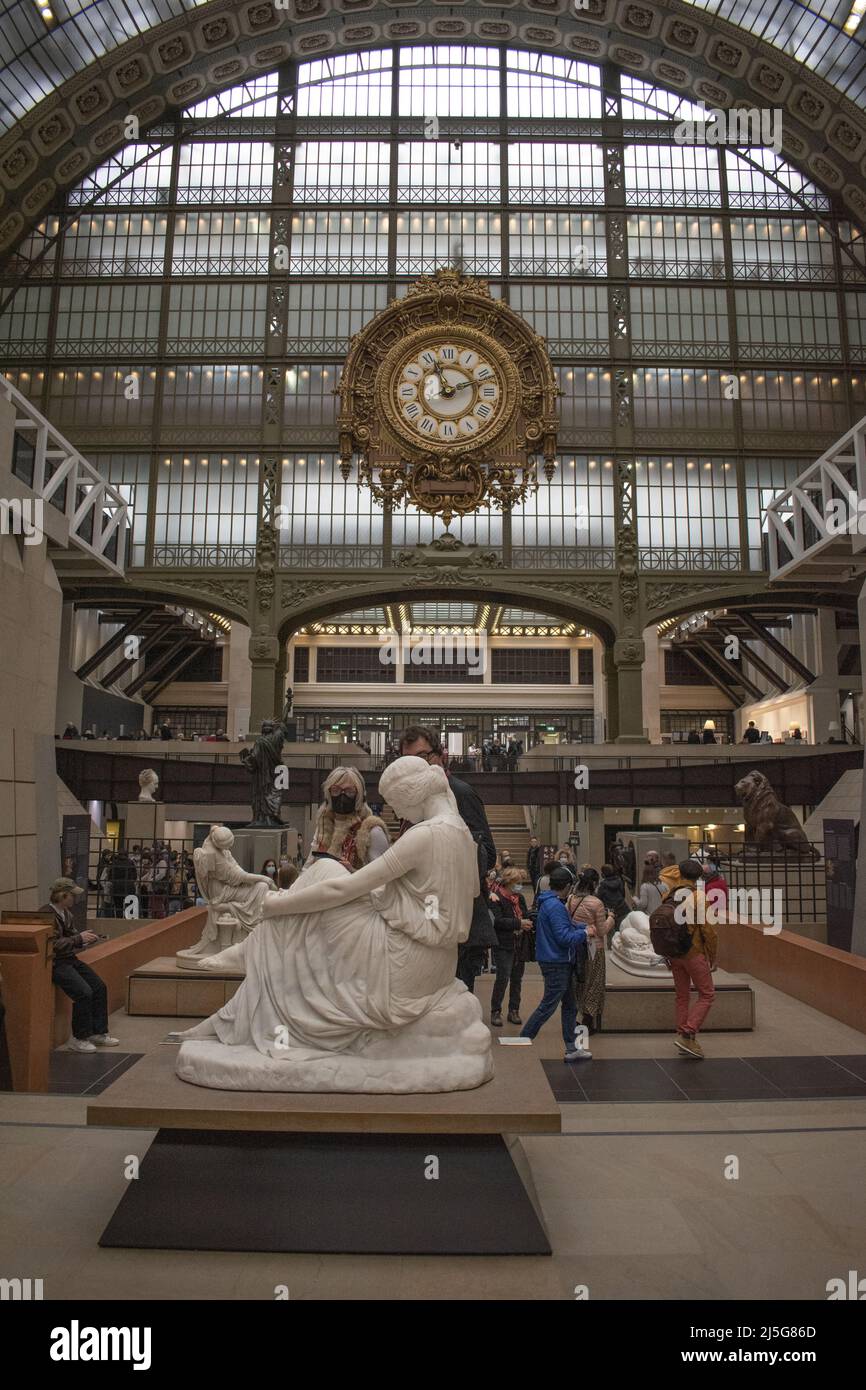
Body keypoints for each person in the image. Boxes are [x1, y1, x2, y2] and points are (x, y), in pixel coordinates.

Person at [398, 725, 497, 992]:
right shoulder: (412, 802)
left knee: (454, 999)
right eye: (408, 761)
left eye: (423, 757)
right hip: (422, 915)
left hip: (455, 919)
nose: (417, 767)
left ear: (441, 755)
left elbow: (487, 852)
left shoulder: (460, 793)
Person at [520, 865, 595, 1061]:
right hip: (557, 962)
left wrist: (579, 926)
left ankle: (571, 1047)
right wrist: (585, 933)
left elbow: (562, 928)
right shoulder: (556, 906)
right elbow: (564, 937)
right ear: (568, 886)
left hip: (555, 960)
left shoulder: (549, 903)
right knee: (548, 1005)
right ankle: (522, 1039)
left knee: (569, 1005)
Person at [46, 878, 118, 1052]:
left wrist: (84, 940)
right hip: (57, 963)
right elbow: (51, 944)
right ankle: (79, 1037)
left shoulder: (65, 913)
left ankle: (97, 1032)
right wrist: (78, 939)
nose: (74, 899)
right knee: (83, 993)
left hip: (69, 959)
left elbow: (70, 939)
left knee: (99, 987)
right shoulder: (47, 915)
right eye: (71, 895)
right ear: (62, 895)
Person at [662, 859, 717, 1058]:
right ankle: (688, 1032)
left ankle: (684, 1036)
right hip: (694, 952)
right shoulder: (698, 896)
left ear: (679, 873)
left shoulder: (668, 895)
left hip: (673, 953)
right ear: (699, 877)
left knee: (682, 996)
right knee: (707, 994)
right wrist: (712, 955)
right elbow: (708, 931)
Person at [307, 766, 389, 870]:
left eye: (349, 791)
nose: (342, 796)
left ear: (359, 795)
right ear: (329, 794)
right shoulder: (324, 827)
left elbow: (382, 879)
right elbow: (308, 867)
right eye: (335, 790)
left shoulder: (372, 831)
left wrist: (352, 872)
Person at [568, 869, 614, 1033]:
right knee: (594, 982)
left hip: (578, 945)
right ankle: (588, 1020)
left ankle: (575, 1016)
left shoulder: (571, 899)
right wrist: (611, 918)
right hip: (595, 948)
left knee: (580, 980)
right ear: (594, 883)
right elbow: (602, 931)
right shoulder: (596, 903)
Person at [487, 867, 532, 1026]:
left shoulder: (519, 898)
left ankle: (514, 1010)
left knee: (517, 979)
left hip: (520, 942)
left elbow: (524, 913)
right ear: (509, 882)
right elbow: (498, 922)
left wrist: (527, 920)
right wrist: (519, 923)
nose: (520, 886)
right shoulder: (496, 898)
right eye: (517, 882)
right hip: (503, 943)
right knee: (502, 978)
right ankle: (496, 1011)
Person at [597, 862, 628, 930]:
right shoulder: (619, 881)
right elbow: (623, 894)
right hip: (622, 909)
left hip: (611, 912)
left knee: (611, 935)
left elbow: (599, 899)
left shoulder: (603, 885)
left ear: (603, 874)